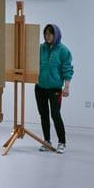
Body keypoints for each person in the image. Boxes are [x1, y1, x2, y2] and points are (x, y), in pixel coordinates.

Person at [36, 24, 73, 154]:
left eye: (50, 34)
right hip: (40, 87)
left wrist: (66, 87)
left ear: (56, 35)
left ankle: (62, 142)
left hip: (55, 89)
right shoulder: (41, 48)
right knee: (43, 115)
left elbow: (67, 69)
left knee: (55, 114)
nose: (47, 36)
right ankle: (47, 141)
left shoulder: (63, 50)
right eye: (45, 34)